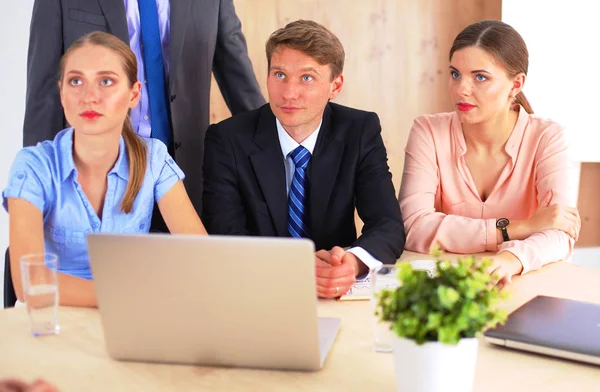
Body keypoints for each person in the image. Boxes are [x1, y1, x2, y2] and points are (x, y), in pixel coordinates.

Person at [202, 20, 405, 299]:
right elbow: (224, 236)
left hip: (335, 291)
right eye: (280, 75)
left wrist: (353, 262)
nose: (289, 93)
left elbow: (387, 224)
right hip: (257, 290)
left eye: (306, 78)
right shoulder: (226, 139)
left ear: (335, 85)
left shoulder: (359, 131)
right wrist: (294, 266)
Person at [3, 32, 207, 308]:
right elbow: (31, 284)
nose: (89, 97)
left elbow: (202, 256)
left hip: (132, 317)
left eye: (106, 81)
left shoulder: (154, 158)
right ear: (62, 92)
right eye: (76, 81)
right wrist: (127, 296)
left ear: (134, 94)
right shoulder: (34, 165)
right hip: (54, 319)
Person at [23, 0, 266, 216]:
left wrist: (271, 155)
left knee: (184, 263)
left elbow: (238, 77)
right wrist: (42, 182)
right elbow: (44, 94)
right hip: (93, 176)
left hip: (182, 171)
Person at [399, 20, 580, 287]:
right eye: (455, 74)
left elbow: (560, 233)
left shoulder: (547, 137)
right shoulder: (428, 131)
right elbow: (413, 226)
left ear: (516, 84)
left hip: (523, 283)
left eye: (480, 77)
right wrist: (515, 228)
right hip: (445, 288)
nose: (462, 89)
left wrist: (510, 259)